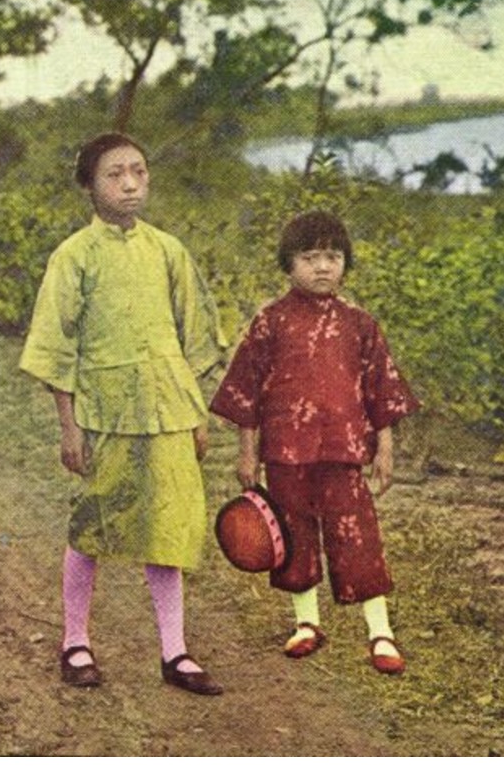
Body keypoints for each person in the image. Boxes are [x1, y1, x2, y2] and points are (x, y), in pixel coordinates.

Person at [18, 132, 227, 695]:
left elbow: (194, 337)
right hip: (103, 412)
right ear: (89, 185)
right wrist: (69, 426)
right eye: (115, 174)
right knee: (93, 525)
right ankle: (76, 642)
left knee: (169, 526)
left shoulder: (168, 250)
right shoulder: (74, 256)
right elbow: (55, 347)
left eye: (138, 171)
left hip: (169, 409)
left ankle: (175, 652)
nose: (131, 184)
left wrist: (197, 415)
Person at [209, 210, 419, 675]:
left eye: (333, 256)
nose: (323, 267)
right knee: (294, 535)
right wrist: (248, 453)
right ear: (289, 264)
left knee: (358, 536)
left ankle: (380, 631)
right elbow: (246, 391)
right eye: (310, 257)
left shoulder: (360, 325)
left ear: (345, 263)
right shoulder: (270, 322)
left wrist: (384, 448)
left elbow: (381, 391)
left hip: (345, 451)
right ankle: (306, 623)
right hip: (285, 451)